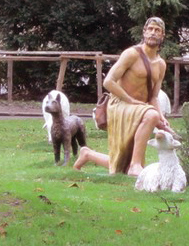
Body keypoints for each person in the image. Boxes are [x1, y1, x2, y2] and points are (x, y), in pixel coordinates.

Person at [73, 17, 171, 176]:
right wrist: (131, 101)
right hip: (120, 104)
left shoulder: (161, 64)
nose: (153, 33)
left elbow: (153, 97)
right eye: (150, 29)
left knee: (120, 166)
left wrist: (161, 118)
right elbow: (108, 82)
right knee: (151, 114)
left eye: (157, 30)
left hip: (141, 108)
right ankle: (135, 165)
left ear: (162, 36)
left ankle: (88, 154)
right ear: (144, 32)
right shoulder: (132, 54)